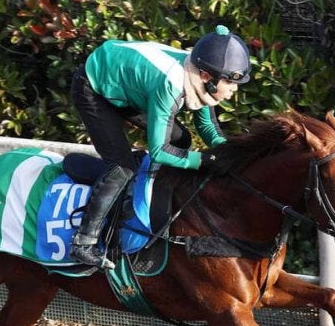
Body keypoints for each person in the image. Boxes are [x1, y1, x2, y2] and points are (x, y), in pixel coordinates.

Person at [69, 25, 252, 269]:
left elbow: (207, 126)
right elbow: (159, 151)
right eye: (229, 82)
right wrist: (204, 160)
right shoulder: (171, 85)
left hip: (128, 85)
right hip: (93, 87)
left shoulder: (200, 74)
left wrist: (229, 154)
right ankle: (83, 243)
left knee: (181, 141)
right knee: (123, 167)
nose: (234, 89)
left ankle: (152, 191)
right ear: (207, 77)